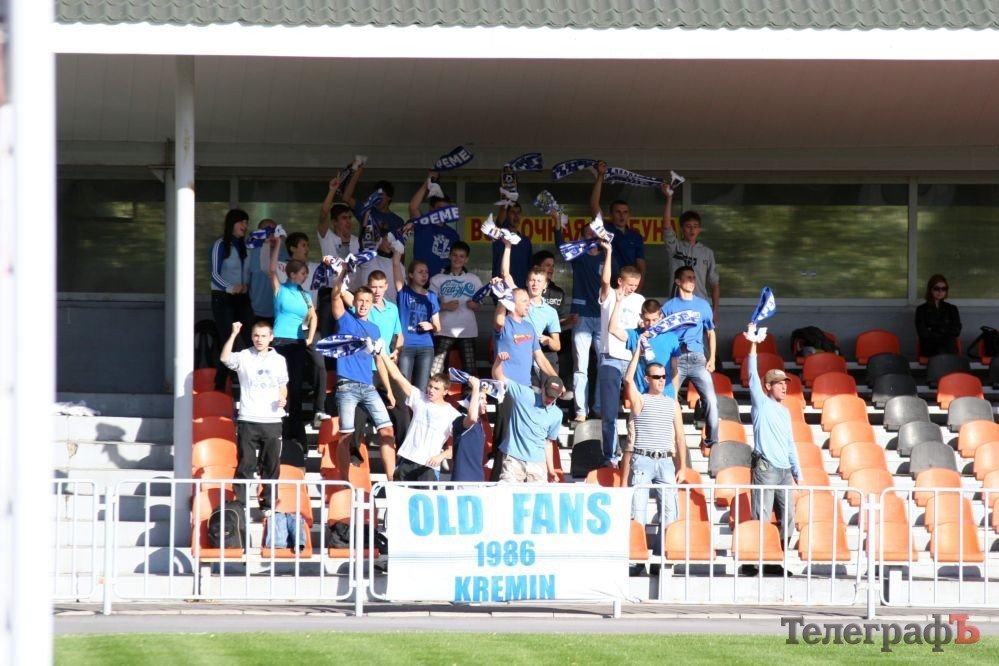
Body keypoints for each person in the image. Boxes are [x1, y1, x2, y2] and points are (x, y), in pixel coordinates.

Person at [744, 323, 801, 574]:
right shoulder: (761, 403)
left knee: (788, 517)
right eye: (778, 383)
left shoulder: (786, 411)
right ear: (769, 387)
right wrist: (753, 345)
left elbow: (790, 442)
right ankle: (758, 561)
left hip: (784, 470)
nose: (784, 386)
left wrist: (797, 470)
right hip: (766, 467)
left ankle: (777, 559)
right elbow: (753, 375)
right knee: (762, 516)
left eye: (785, 383)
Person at [330, 268, 397, 480]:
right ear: (354, 301)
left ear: (372, 304)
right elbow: (335, 296)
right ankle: (344, 481)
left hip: (368, 387)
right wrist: (340, 275)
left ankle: (392, 481)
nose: (363, 304)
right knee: (346, 435)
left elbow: (380, 359)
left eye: (367, 301)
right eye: (360, 300)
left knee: (387, 432)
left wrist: (388, 389)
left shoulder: (376, 329)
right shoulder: (345, 319)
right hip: (347, 386)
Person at [621, 345, 686, 558]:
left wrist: (682, 466)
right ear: (647, 378)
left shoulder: (672, 404)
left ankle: (661, 556)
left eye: (663, 376)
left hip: (666, 460)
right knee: (638, 511)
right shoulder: (641, 400)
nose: (661, 380)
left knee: (669, 512)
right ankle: (638, 557)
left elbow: (680, 437)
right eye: (656, 377)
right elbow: (628, 380)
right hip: (643, 458)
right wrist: (637, 353)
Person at [489, 285, 559, 480]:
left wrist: (556, 379)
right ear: (512, 304)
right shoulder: (505, 325)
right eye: (524, 301)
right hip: (506, 387)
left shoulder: (529, 327)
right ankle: (496, 479)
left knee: (521, 432)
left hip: (526, 388)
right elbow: (498, 319)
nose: (528, 305)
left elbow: (540, 358)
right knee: (505, 434)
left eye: (529, 301)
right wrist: (504, 298)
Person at [220, 321, 288, 512]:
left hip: (272, 420)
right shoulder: (244, 356)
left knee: (271, 465)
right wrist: (233, 334)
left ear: (271, 338)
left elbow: (283, 385)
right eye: (256, 335)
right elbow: (225, 358)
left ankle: (268, 503)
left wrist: (283, 398)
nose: (259, 339)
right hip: (248, 418)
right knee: (245, 463)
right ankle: (240, 503)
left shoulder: (279, 360)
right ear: (252, 337)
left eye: (264, 336)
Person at [380, 354, 475, 482]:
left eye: (436, 388)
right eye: (430, 386)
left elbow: (460, 445)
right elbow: (397, 376)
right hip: (407, 459)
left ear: (445, 391)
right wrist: (382, 354)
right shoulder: (419, 398)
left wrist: (441, 456)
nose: (431, 391)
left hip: (429, 466)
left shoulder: (452, 414)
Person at [268, 238, 318, 461]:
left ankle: (294, 433)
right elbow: (271, 270)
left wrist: (308, 338)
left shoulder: (304, 295)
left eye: (306, 275)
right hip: (279, 341)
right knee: (278, 385)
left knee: (295, 386)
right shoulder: (282, 289)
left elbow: (312, 315)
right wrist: (277, 244)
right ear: (293, 274)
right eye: (302, 274)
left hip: (297, 343)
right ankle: (276, 429)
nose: (305, 277)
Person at [553, 213, 606, 423]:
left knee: (604, 365)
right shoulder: (579, 255)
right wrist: (557, 224)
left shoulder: (607, 256)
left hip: (603, 316)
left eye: (595, 233)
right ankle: (581, 411)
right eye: (587, 234)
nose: (591, 237)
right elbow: (560, 245)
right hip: (581, 316)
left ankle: (600, 407)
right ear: (581, 238)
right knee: (580, 367)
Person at [597, 240, 644, 467]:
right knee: (609, 412)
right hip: (610, 358)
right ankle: (610, 457)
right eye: (629, 284)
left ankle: (636, 450)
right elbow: (605, 280)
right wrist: (609, 252)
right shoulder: (609, 295)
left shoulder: (640, 300)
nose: (632, 288)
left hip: (633, 360)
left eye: (636, 285)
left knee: (637, 408)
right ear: (620, 281)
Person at [663, 265, 719, 449]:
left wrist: (712, 358)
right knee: (668, 400)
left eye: (693, 278)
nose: (692, 281)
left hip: (697, 357)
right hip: (676, 358)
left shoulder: (703, 305)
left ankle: (712, 441)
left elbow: (710, 332)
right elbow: (660, 332)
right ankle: (665, 439)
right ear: (678, 281)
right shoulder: (669, 306)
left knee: (710, 399)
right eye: (688, 278)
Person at [492, 353, 564, 483]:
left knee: (537, 501)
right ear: (543, 388)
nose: (549, 399)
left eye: (553, 397)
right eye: (547, 394)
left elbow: (548, 442)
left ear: (559, 396)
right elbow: (498, 376)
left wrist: (551, 470)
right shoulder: (524, 394)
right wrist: (498, 360)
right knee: (506, 496)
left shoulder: (557, 414)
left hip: (538, 463)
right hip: (514, 459)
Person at [501, 239, 561, 378]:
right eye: (532, 280)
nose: (535, 284)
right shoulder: (519, 298)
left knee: (546, 397)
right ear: (527, 282)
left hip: (541, 357)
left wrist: (548, 341)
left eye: (539, 281)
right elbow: (506, 275)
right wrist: (508, 246)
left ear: (545, 285)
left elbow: (557, 345)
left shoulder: (550, 312)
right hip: (520, 357)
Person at [210, 208, 253, 391]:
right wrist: (230, 287)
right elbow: (213, 273)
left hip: (242, 298)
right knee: (230, 339)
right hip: (223, 298)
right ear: (232, 224)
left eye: (246, 223)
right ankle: (221, 384)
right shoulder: (221, 245)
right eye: (241, 222)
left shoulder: (246, 247)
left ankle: (244, 381)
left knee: (251, 336)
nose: (245, 226)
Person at [589, 160, 646, 289]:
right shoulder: (605, 229)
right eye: (618, 212)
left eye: (625, 212)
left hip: (628, 287)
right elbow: (594, 206)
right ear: (611, 214)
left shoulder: (636, 236)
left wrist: (637, 291)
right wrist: (600, 177)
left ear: (629, 215)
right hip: (607, 284)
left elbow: (641, 266)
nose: (622, 215)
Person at [662, 187, 719, 315]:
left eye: (695, 227)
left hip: (700, 305)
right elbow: (666, 226)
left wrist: (714, 311)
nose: (692, 230)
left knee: (699, 335)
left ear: (699, 229)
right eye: (688, 226)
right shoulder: (675, 247)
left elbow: (714, 283)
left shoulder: (707, 252)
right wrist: (669, 197)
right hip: (677, 304)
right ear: (682, 228)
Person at [392, 251, 442, 394]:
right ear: (411, 275)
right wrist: (398, 246)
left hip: (426, 347)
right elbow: (395, 264)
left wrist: (431, 326)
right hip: (406, 346)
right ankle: (404, 416)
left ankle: (417, 416)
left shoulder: (431, 296)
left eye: (426, 272)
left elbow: (438, 327)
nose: (424, 275)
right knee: (404, 385)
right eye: (420, 272)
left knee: (421, 389)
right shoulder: (404, 292)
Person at [429, 241, 482, 376]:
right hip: (444, 330)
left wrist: (474, 305)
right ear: (449, 256)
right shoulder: (437, 279)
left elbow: (479, 305)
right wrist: (444, 306)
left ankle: (469, 395)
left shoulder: (474, 279)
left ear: (466, 259)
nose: (457, 259)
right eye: (455, 255)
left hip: (467, 330)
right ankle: (435, 395)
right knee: (436, 370)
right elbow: (429, 305)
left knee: (469, 369)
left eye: (461, 256)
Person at [407, 171, 461, 277]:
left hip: (445, 284)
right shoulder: (423, 224)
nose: (443, 212)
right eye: (440, 209)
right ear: (431, 209)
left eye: (446, 209)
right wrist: (428, 182)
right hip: (422, 282)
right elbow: (413, 207)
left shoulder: (453, 234)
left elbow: (457, 260)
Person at [342, 165, 405, 250]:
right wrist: (356, 175)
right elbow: (346, 198)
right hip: (365, 258)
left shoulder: (397, 221)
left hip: (386, 261)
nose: (377, 198)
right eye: (376, 195)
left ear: (389, 197)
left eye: (381, 195)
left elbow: (399, 247)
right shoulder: (367, 209)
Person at [915, 274, 961, 357]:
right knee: (942, 346)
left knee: (946, 344)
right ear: (930, 290)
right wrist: (945, 329)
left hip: (948, 346)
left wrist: (934, 328)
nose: (940, 292)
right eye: (937, 289)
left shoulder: (952, 309)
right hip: (930, 347)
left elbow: (956, 331)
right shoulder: (921, 310)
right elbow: (923, 334)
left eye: (944, 289)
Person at [248, 218, 284, 324]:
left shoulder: (285, 256)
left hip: (280, 312)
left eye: (274, 231)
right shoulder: (251, 253)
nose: (271, 235)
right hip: (256, 312)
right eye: (266, 231)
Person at [489, 201, 533, 288]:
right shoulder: (500, 236)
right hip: (501, 291)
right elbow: (499, 223)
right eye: (513, 212)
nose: (516, 216)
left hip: (521, 292)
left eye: (518, 213)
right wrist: (505, 200)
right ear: (506, 215)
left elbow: (530, 268)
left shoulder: (526, 241)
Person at [450, 382, 487, 482]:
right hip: (463, 479)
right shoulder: (460, 420)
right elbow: (472, 417)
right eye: (482, 398)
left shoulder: (480, 423)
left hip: (477, 479)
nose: (485, 402)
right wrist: (475, 388)